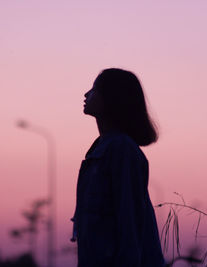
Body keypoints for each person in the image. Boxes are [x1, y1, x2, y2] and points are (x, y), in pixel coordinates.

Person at [71, 68, 165, 267]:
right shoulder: (100, 149)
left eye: (95, 89)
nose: (87, 94)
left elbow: (129, 220)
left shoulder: (121, 150)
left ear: (112, 99)